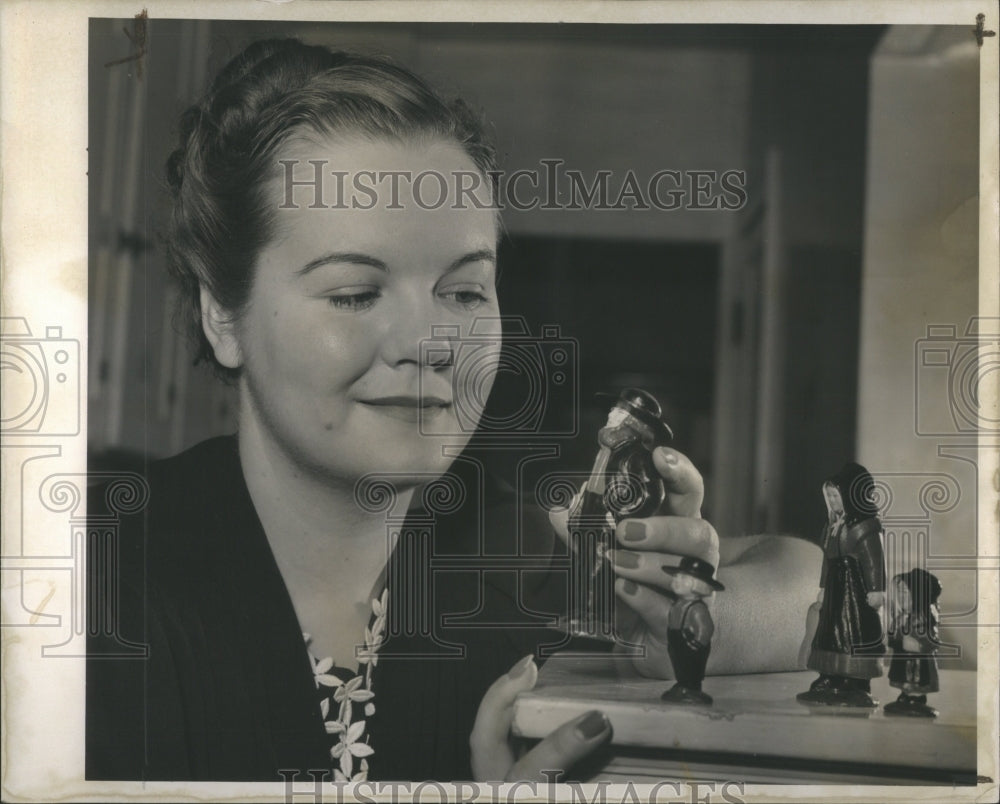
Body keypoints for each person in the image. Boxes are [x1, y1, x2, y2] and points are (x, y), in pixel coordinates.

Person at [87, 37, 819, 783]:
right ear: (223, 315)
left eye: (464, 291)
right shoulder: (88, 578)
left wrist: (676, 618)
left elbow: (802, 581)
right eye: (354, 293)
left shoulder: (508, 560)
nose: (432, 344)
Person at [797, 462, 886, 708]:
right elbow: (828, 560)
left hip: (855, 591)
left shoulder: (864, 527)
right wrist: (824, 587)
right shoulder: (833, 527)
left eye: (836, 495)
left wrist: (876, 589)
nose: (833, 501)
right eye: (830, 497)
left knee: (853, 632)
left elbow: (873, 561)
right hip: (837, 588)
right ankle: (830, 674)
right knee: (831, 630)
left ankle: (853, 679)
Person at [884, 568, 942, 717]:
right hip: (903, 657)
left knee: (917, 679)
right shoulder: (901, 618)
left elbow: (933, 640)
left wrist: (919, 646)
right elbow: (893, 637)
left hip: (918, 661)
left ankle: (916, 698)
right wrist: (894, 638)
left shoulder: (926, 618)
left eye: (905, 593)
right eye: (900, 593)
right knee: (902, 677)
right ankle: (905, 695)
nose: (901, 598)